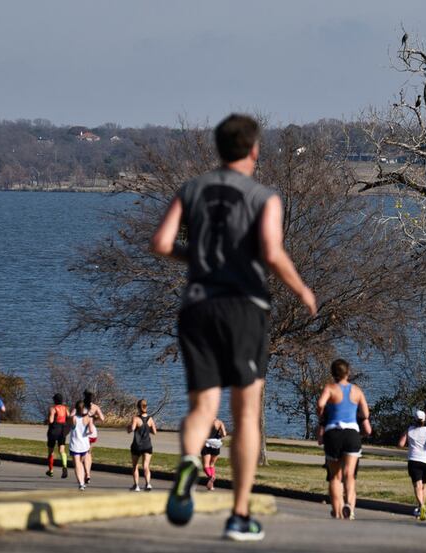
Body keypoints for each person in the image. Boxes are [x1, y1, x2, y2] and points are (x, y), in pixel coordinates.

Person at [151, 113, 316, 541]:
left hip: (197, 306)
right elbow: (273, 253)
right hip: (244, 308)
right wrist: (302, 290)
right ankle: (239, 515)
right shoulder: (264, 197)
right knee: (245, 415)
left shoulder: (191, 189)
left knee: (202, 408)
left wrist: (201, 261)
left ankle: (189, 460)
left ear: (218, 149)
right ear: (255, 150)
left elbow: (162, 244)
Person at [317, 359, 372, 521]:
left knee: (335, 476)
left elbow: (320, 404)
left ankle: (338, 510)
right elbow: (365, 414)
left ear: (333, 373)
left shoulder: (330, 389)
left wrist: (322, 416)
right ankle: (349, 505)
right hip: (352, 434)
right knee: (349, 474)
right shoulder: (356, 391)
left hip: (333, 433)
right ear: (348, 373)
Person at [398, 410, 426, 521]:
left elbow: (400, 444)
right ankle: (421, 508)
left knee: (417, 485)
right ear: (424, 420)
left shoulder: (409, 430)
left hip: (414, 460)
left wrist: (407, 441)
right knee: (424, 485)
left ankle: (421, 505)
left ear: (414, 419)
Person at [128, 398, 157, 492]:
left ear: (138, 407)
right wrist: (148, 429)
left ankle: (136, 485)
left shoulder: (135, 418)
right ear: (146, 407)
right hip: (147, 445)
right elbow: (154, 432)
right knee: (146, 466)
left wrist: (128, 427)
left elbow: (131, 429)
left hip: (137, 445)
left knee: (135, 466)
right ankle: (148, 484)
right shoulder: (150, 419)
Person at [69, 400, 95, 491]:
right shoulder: (88, 418)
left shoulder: (73, 418)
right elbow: (91, 431)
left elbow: (69, 422)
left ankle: (81, 483)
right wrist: (86, 433)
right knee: (81, 463)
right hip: (84, 444)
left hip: (75, 444)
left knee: (77, 464)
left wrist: (72, 412)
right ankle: (83, 480)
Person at [81, 390, 105, 485]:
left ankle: (85, 472)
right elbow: (102, 418)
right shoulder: (95, 407)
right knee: (89, 453)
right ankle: (88, 473)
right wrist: (94, 418)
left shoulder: (81, 406)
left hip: (83, 432)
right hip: (92, 432)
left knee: (83, 453)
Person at [46, 393, 69, 479]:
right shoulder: (65, 408)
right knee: (62, 450)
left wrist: (47, 420)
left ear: (54, 400)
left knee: (51, 451)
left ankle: (51, 471)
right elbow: (69, 417)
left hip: (53, 430)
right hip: (62, 430)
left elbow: (51, 420)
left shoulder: (53, 409)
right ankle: (64, 466)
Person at [202, 418, 227, 491]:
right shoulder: (219, 422)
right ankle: (211, 486)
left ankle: (211, 477)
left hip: (206, 442)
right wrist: (220, 434)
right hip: (216, 443)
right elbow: (224, 434)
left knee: (205, 465)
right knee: (212, 464)